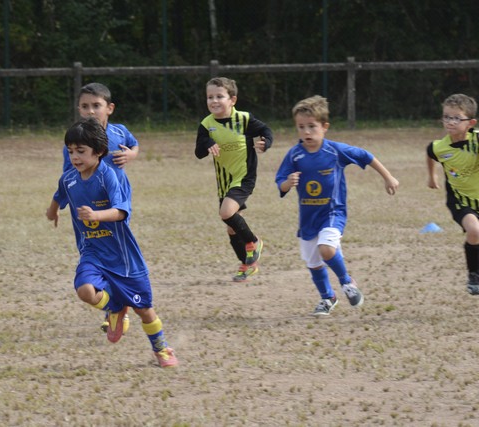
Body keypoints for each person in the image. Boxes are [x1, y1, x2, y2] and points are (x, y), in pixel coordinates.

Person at [46, 117, 178, 368]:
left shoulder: (108, 176)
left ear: (98, 152)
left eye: (81, 151)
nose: (74, 157)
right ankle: (115, 307)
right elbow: (60, 194)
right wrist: (53, 211)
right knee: (85, 290)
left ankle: (161, 349)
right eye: (71, 151)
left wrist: (96, 215)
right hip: (92, 251)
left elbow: (121, 211)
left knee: (144, 309)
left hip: (123, 257)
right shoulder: (69, 178)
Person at [275, 95, 399, 316]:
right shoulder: (294, 155)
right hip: (308, 218)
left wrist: (388, 177)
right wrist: (287, 183)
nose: (306, 132)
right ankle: (328, 298)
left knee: (326, 249)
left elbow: (365, 156)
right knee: (313, 263)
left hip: (333, 213)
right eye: (301, 127)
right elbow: (281, 182)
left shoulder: (334, 151)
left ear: (324, 127)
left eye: (312, 126)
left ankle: (347, 282)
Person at [62, 82, 139, 333]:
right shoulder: (75, 142)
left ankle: (116, 307)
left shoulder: (119, 133)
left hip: (115, 206)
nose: (91, 111)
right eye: (85, 106)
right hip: (89, 208)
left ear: (110, 108)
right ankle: (113, 305)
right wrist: (60, 203)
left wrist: (131, 155)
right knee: (95, 250)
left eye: (96, 105)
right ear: (78, 109)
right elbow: (67, 177)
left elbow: (134, 144)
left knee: (114, 252)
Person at [195, 77, 274, 282]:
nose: (214, 101)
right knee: (231, 227)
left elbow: (266, 131)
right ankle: (248, 264)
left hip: (244, 176)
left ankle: (254, 241)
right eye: (210, 97)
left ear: (232, 100)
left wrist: (266, 142)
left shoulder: (244, 119)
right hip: (224, 181)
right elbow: (198, 153)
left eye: (219, 96)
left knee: (226, 213)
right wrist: (207, 143)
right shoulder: (206, 124)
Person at [426, 93, 479, 295]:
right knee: (475, 230)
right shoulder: (439, 147)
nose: (450, 122)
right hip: (459, 199)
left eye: (457, 118)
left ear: (470, 123)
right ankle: (474, 275)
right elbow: (430, 153)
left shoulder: (477, 140)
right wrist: (432, 177)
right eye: (447, 117)